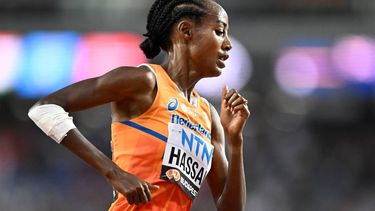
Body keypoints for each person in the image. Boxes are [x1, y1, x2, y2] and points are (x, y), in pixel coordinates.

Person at [28, 0, 250, 210]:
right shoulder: (145, 81)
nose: (228, 44)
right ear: (186, 31)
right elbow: (45, 109)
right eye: (220, 32)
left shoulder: (208, 115)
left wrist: (235, 141)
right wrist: (114, 173)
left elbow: (229, 208)